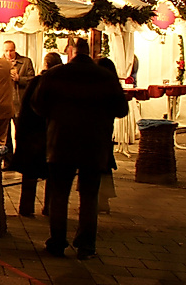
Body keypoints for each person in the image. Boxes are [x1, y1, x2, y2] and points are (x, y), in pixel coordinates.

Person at [32, 38, 128, 260]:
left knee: (59, 195)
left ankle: (57, 242)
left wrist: (56, 116)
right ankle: (86, 246)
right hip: (94, 143)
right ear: (90, 52)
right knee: (89, 197)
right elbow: (121, 109)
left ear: (71, 51)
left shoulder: (55, 74)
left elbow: (37, 105)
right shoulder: (105, 76)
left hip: (61, 142)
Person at [14, 52, 61, 217]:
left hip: (33, 133)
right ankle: (49, 207)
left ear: (45, 64)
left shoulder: (36, 82)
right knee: (52, 174)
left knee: (30, 173)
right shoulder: (60, 84)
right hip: (53, 134)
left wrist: (21, 134)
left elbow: (25, 109)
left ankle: (26, 208)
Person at [3, 40, 36, 164]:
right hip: (6, 103)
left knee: (21, 134)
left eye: (11, 50)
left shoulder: (25, 62)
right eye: (6, 51)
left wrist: (20, 79)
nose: (9, 53)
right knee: (6, 136)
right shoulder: (0, 64)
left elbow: (32, 80)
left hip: (20, 103)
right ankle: (8, 161)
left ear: (15, 49)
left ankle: (21, 160)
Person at [95, 57, 120, 214]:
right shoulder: (112, 87)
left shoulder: (93, 87)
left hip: (95, 132)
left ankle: (96, 202)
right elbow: (121, 110)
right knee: (103, 164)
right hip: (105, 131)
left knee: (95, 166)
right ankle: (102, 200)